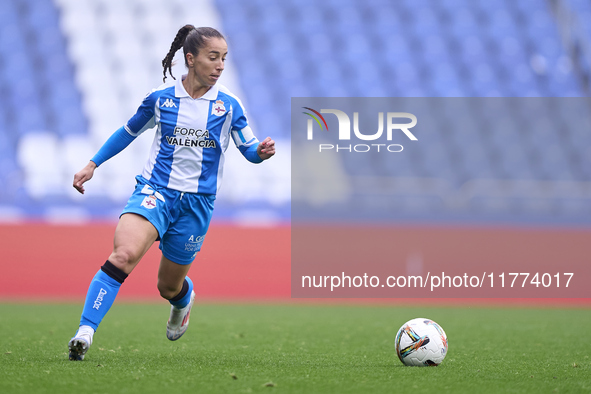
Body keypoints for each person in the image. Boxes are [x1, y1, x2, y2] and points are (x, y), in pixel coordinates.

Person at [67, 25, 275, 361]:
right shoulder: (160, 99)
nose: (221, 65)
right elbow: (127, 132)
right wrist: (93, 163)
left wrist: (261, 153)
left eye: (224, 58)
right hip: (156, 192)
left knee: (168, 287)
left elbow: (248, 149)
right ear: (191, 59)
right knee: (123, 256)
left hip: (196, 205)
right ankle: (85, 333)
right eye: (213, 57)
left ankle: (183, 301)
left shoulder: (229, 106)